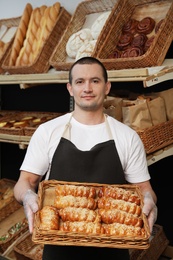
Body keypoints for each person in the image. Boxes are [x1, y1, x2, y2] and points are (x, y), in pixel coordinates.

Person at [14, 57, 157, 259]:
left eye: (95, 81)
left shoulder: (127, 137)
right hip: (59, 251)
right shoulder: (47, 131)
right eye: (80, 82)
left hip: (112, 251)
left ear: (107, 87)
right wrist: (28, 196)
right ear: (70, 88)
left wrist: (150, 200)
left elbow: (144, 189)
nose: (87, 88)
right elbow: (24, 182)